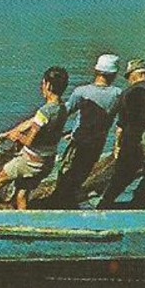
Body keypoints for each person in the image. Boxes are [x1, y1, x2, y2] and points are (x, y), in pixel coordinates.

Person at [0, 66, 70, 211]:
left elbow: (29, 140)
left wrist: (17, 136)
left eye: (43, 84)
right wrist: (7, 134)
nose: (42, 87)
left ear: (48, 85)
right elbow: (32, 122)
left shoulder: (44, 111)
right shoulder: (62, 108)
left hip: (30, 162)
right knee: (21, 194)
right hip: (46, 163)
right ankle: (24, 220)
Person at [41, 53, 125, 208]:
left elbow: (63, 113)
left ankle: (60, 205)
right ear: (114, 74)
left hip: (78, 142)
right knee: (80, 176)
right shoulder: (118, 94)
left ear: (96, 71)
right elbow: (121, 123)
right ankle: (69, 203)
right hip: (97, 144)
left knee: (65, 175)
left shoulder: (82, 92)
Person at [97, 58, 145, 209]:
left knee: (120, 177)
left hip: (131, 141)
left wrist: (117, 148)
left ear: (133, 76)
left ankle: (102, 207)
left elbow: (120, 127)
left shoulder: (126, 93)